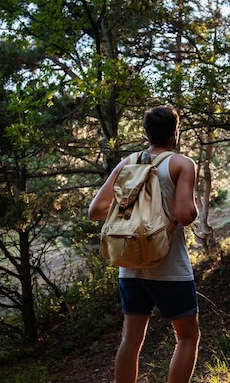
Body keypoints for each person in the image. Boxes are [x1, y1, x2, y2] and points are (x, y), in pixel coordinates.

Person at [88, 107, 200, 383]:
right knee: (187, 336)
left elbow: (96, 209)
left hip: (130, 265)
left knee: (131, 339)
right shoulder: (181, 164)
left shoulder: (128, 162)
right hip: (169, 267)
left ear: (146, 133)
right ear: (175, 132)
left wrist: (133, 213)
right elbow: (185, 216)